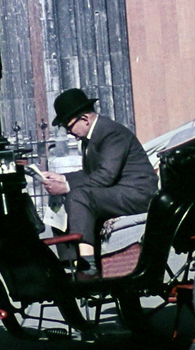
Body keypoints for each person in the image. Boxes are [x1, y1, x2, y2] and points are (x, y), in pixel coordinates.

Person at [38, 88, 157, 276]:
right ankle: (71, 262)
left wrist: (68, 186)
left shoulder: (110, 133)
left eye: (68, 126)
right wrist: (63, 178)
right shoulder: (91, 136)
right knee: (64, 197)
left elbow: (105, 176)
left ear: (84, 119)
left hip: (137, 193)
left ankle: (88, 266)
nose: (69, 133)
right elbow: (90, 174)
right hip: (119, 192)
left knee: (79, 195)